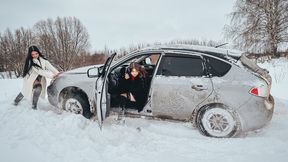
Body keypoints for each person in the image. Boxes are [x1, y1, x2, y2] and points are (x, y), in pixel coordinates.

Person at [13, 45, 60, 109]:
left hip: (39, 79)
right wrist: (52, 76)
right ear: (30, 55)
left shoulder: (43, 60)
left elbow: (50, 67)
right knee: (26, 91)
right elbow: (40, 71)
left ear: (38, 52)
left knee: (37, 90)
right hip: (31, 79)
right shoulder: (31, 62)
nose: (35, 55)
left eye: (36, 53)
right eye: (33, 54)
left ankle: (34, 104)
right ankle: (17, 101)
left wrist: (58, 73)